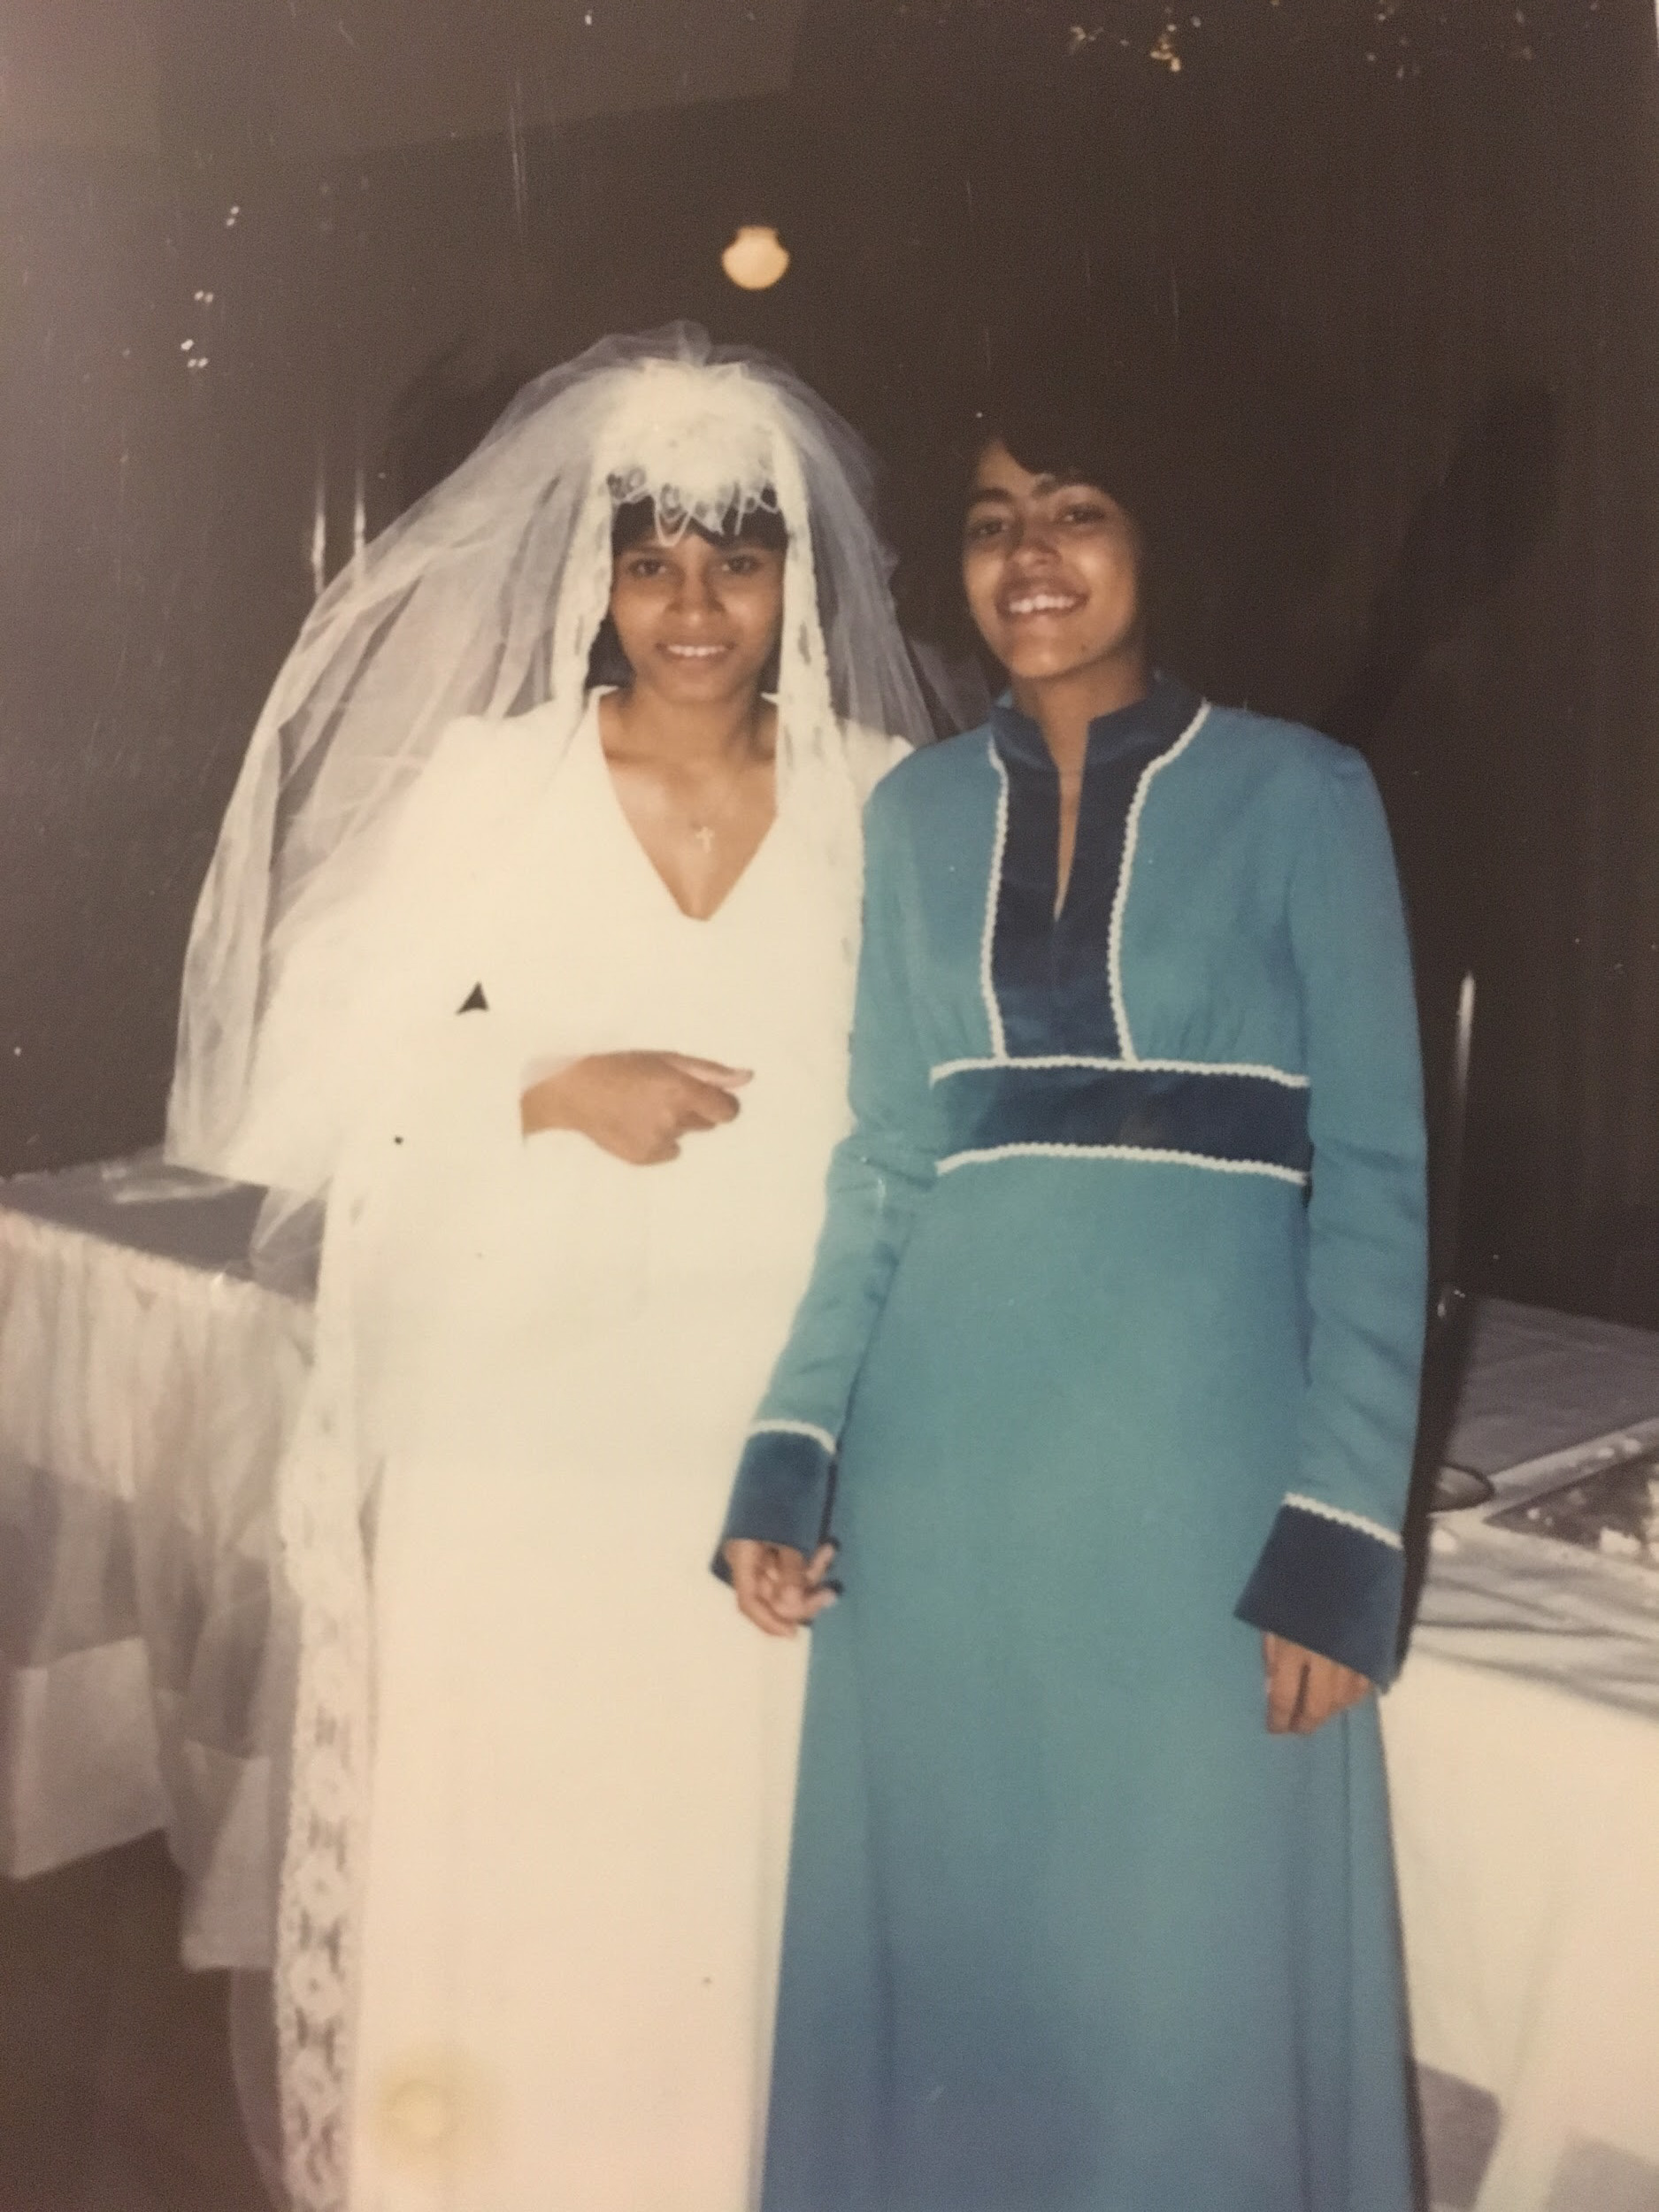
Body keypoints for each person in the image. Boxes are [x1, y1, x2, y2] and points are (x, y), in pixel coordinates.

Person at [164, 326, 932, 2212]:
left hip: (761, 1415)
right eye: (653, 561)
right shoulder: (491, 786)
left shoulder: (882, 794)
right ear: (596, 569)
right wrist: (541, 1079)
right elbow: (307, 1101)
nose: (692, 607)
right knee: (525, 1858)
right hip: (520, 1418)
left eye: (734, 564)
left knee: (720, 1867)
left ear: (791, 579)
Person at [719, 384, 1428, 2212]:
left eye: (1076, 510)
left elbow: (1373, 1181)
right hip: (941, 1501)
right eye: (987, 520)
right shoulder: (912, 816)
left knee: (1179, 2003)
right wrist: (789, 1455)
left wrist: (1341, 1524)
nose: (1027, 556)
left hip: (1190, 1503)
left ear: (1159, 543)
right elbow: (883, 1162)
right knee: (962, 1989)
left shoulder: (1301, 792)